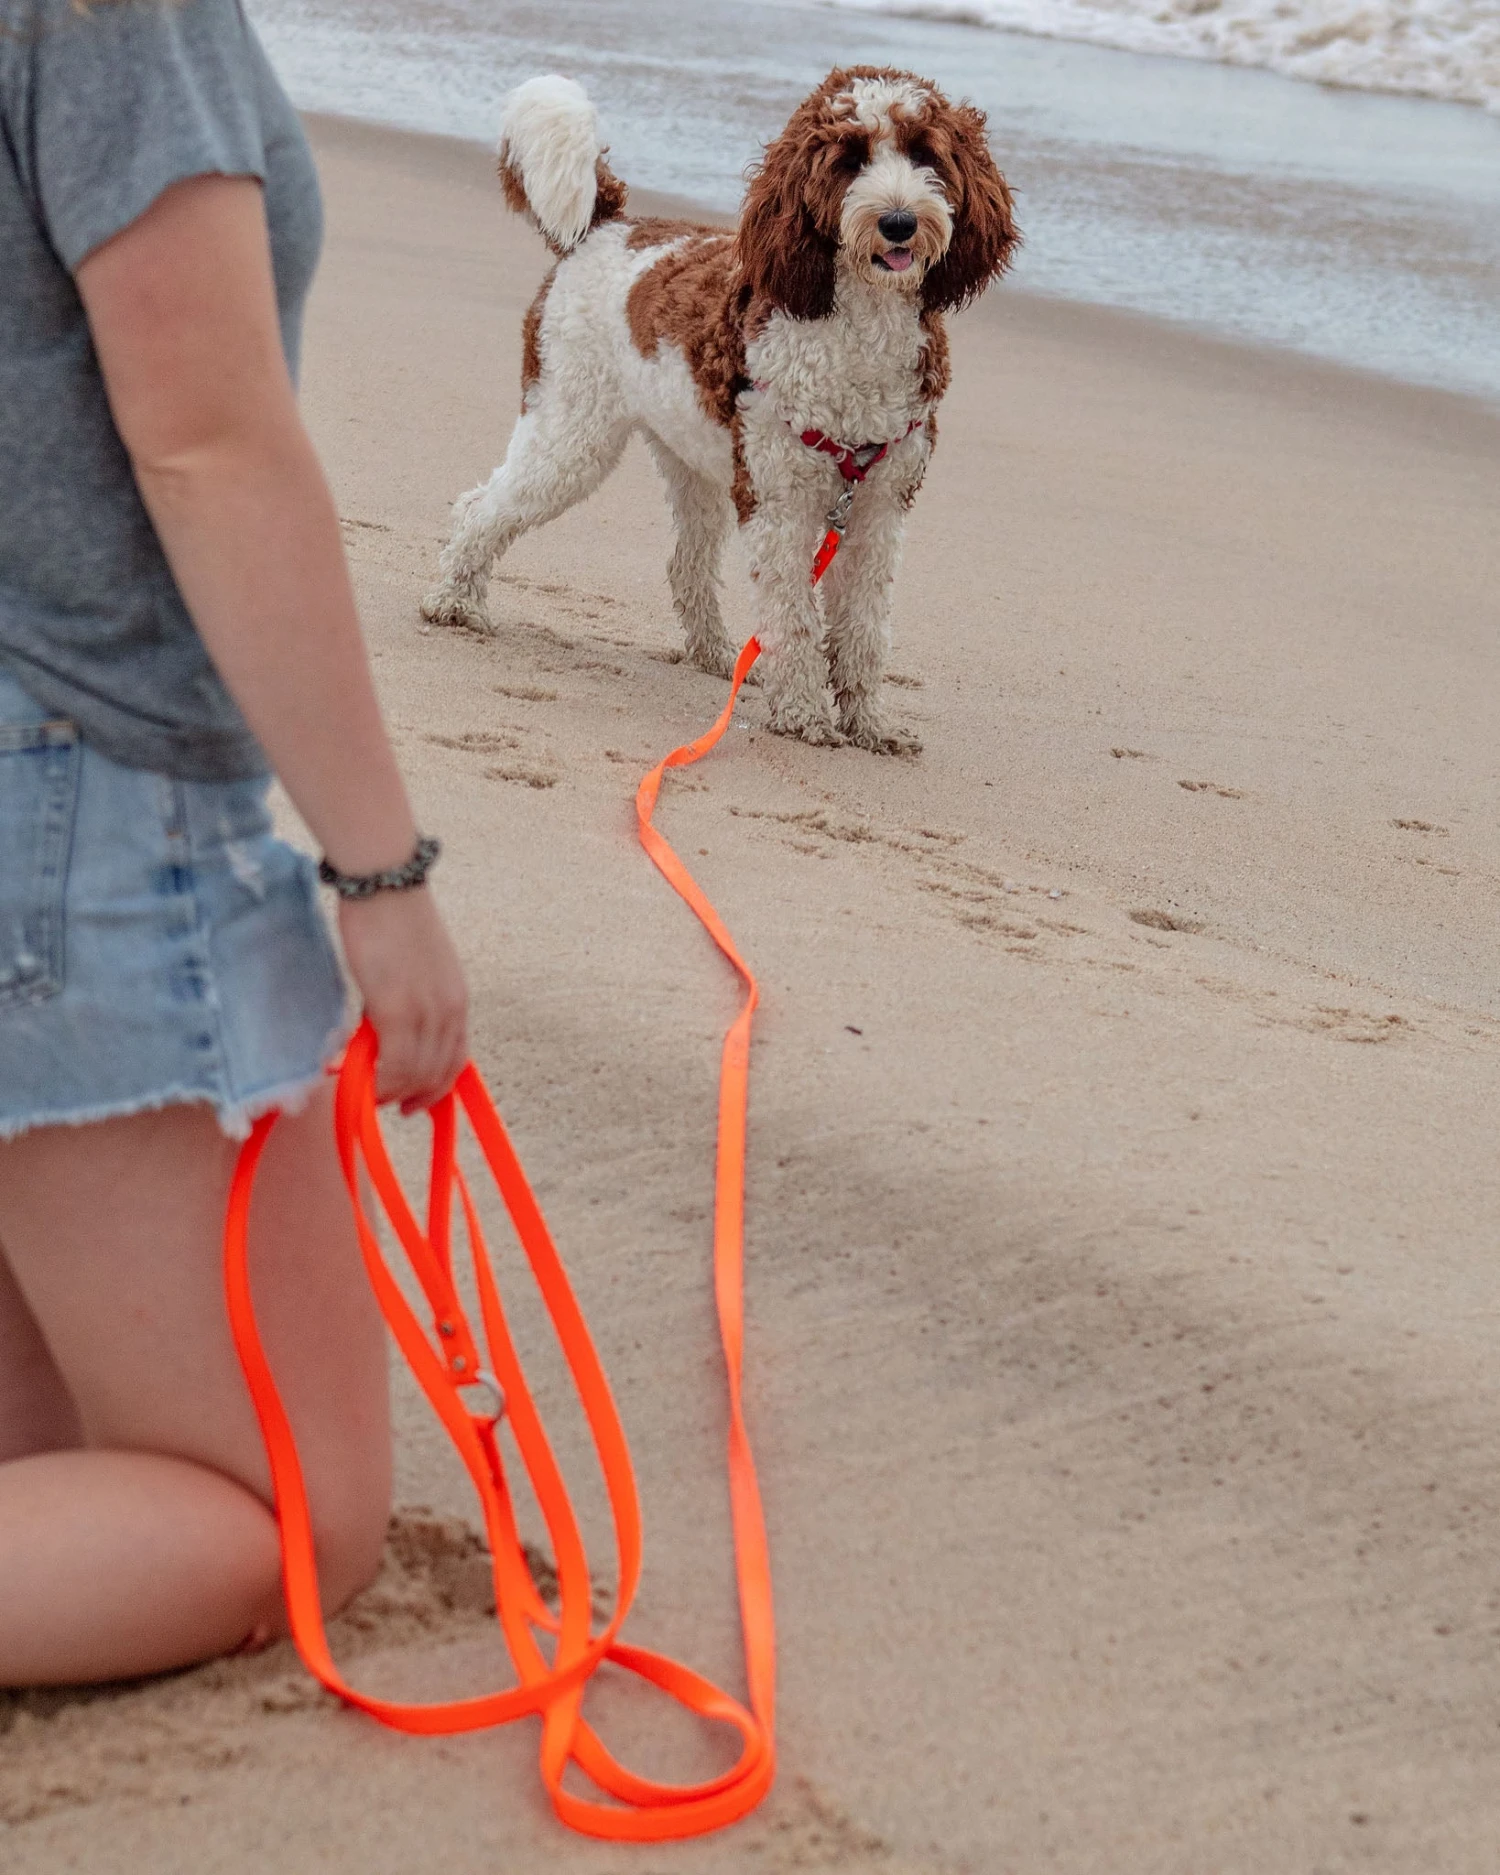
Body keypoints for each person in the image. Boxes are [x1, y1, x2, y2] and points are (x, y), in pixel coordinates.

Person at [0, 0, 468, 1684]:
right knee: (287, 1516)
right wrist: (381, 872)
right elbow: (205, 440)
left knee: (59, 1457)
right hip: (75, 785)